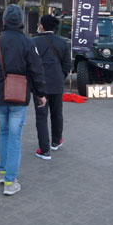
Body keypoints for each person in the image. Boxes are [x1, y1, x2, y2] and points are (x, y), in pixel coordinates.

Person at [0, 4, 46, 196]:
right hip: (19, 96)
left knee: (3, 132)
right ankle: (10, 182)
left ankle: (3, 173)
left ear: (3, 21)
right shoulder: (28, 43)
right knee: (15, 137)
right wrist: (41, 93)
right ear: (21, 22)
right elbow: (36, 70)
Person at [31, 15, 72, 160]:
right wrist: (61, 77)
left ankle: (44, 150)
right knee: (57, 113)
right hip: (57, 84)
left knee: (41, 116)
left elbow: (30, 63)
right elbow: (67, 65)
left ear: (41, 26)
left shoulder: (33, 42)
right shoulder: (63, 43)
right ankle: (56, 141)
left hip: (40, 84)